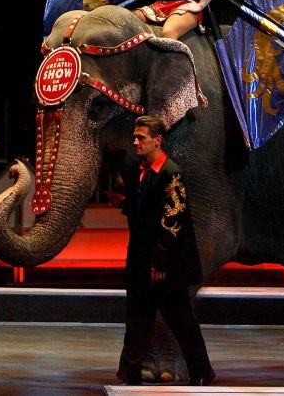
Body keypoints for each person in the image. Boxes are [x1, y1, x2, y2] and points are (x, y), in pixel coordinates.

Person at [115, 116, 214, 386]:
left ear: (157, 141)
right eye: (134, 137)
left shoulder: (171, 173)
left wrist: (159, 263)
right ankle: (129, 373)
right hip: (140, 261)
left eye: (141, 138)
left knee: (182, 321)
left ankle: (202, 372)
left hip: (164, 267)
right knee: (137, 319)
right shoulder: (140, 172)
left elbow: (173, 222)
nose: (135, 142)